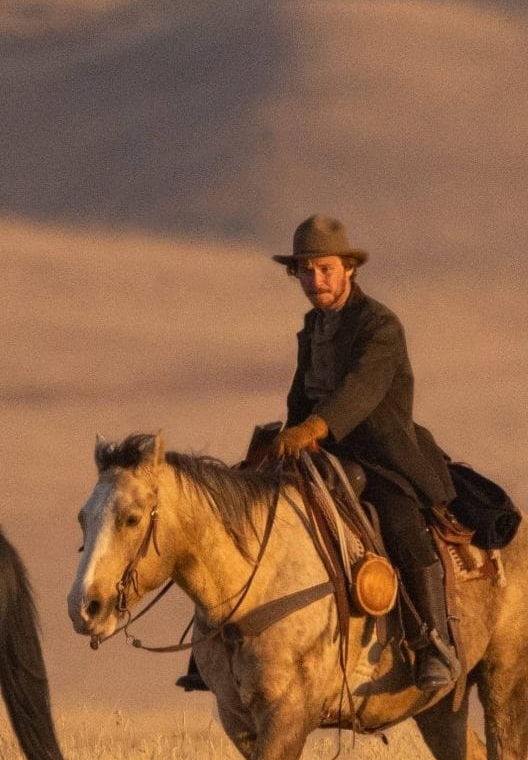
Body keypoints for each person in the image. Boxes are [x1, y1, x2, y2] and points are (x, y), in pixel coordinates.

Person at [190, 215, 460, 696]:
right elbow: (301, 397)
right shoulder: (313, 327)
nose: (316, 281)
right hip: (321, 452)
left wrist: (314, 427)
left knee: (399, 523)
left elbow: (363, 390)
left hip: (382, 454)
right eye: (306, 271)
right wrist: (279, 443)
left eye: (326, 269)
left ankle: (433, 644)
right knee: (242, 510)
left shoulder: (380, 325)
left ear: (349, 268)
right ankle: (214, 649)